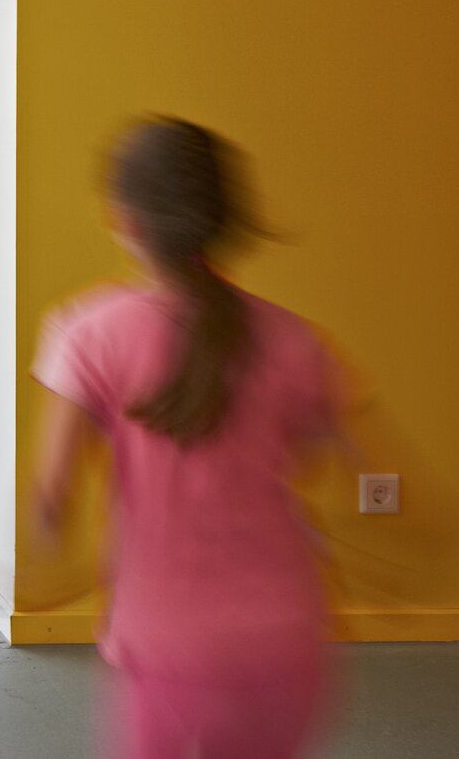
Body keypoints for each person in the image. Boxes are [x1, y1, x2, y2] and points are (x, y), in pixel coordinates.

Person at [33, 118, 343, 759]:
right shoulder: (294, 340)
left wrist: (47, 557)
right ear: (223, 218)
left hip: (169, 642)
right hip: (287, 636)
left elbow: (51, 498)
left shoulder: (89, 334)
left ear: (126, 221)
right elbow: (311, 455)